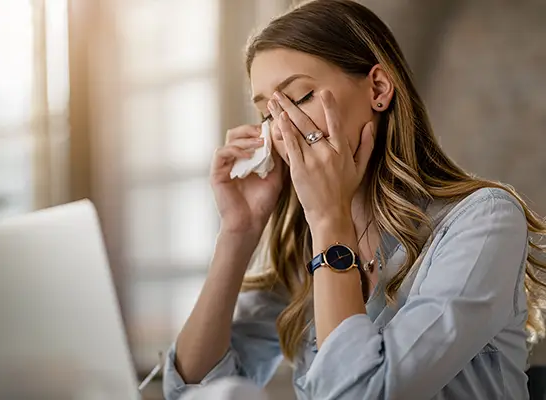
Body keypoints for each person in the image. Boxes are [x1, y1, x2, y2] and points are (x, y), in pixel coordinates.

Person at [163, 1, 546, 399]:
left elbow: (363, 394)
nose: (284, 127)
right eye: (268, 113)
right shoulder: (302, 251)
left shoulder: (484, 221)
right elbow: (193, 389)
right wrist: (237, 230)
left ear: (378, 89)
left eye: (300, 96)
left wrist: (330, 219)